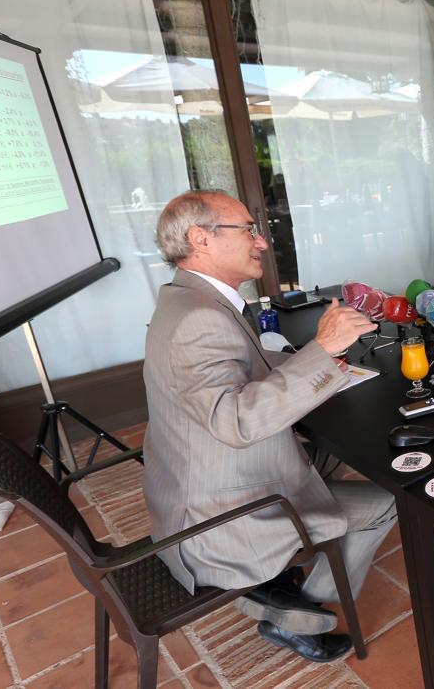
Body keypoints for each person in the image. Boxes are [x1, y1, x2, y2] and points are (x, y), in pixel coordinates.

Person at [143, 191, 393, 662]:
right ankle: (298, 607)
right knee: (385, 501)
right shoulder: (199, 318)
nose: (260, 242)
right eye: (247, 230)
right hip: (222, 516)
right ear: (202, 239)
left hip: (193, 484)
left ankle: (283, 586)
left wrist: (325, 362)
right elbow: (237, 422)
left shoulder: (185, 300)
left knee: (326, 457)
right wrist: (322, 351)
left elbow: (241, 369)